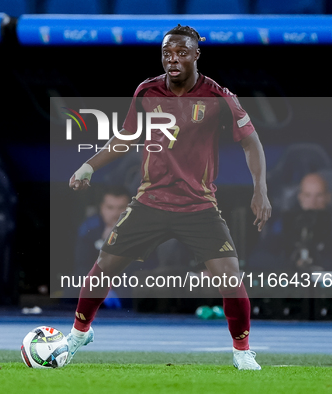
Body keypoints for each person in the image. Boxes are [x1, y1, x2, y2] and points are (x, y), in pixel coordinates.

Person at [65, 24, 271, 370]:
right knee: (103, 268)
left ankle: (242, 351)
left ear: (195, 55)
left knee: (230, 279)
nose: (172, 59)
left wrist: (260, 190)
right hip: (150, 201)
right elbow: (126, 137)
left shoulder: (218, 97)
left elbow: (252, 142)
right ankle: (78, 332)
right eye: (166, 53)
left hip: (199, 205)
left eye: (180, 53)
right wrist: (89, 164)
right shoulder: (147, 92)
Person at [249, 172, 332, 272]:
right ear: (300, 197)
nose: (313, 202)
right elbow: (259, 257)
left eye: (319, 195)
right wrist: (291, 265)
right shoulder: (283, 223)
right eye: (307, 195)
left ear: (328, 197)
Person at [72, 185, 131, 307]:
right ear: (102, 208)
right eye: (110, 208)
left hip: (127, 285)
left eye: (121, 208)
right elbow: (82, 264)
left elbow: (143, 265)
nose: (115, 214)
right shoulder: (88, 228)